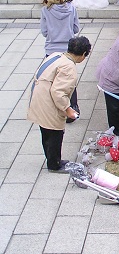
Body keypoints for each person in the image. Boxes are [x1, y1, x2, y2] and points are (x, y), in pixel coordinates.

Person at [28, 36, 91, 173]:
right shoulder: (69, 68)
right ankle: (54, 164)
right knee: (55, 134)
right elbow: (58, 92)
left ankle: (52, 159)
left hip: (39, 98)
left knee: (45, 133)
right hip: (49, 103)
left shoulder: (57, 55)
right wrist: (68, 109)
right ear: (83, 54)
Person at [40, 0, 81, 121]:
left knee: (52, 81)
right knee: (69, 80)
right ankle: (73, 108)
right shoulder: (72, 8)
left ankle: (54, 109)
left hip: (51, 50)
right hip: (68, 50)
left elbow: (44, 32)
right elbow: (76, 29)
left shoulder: (46, 10)